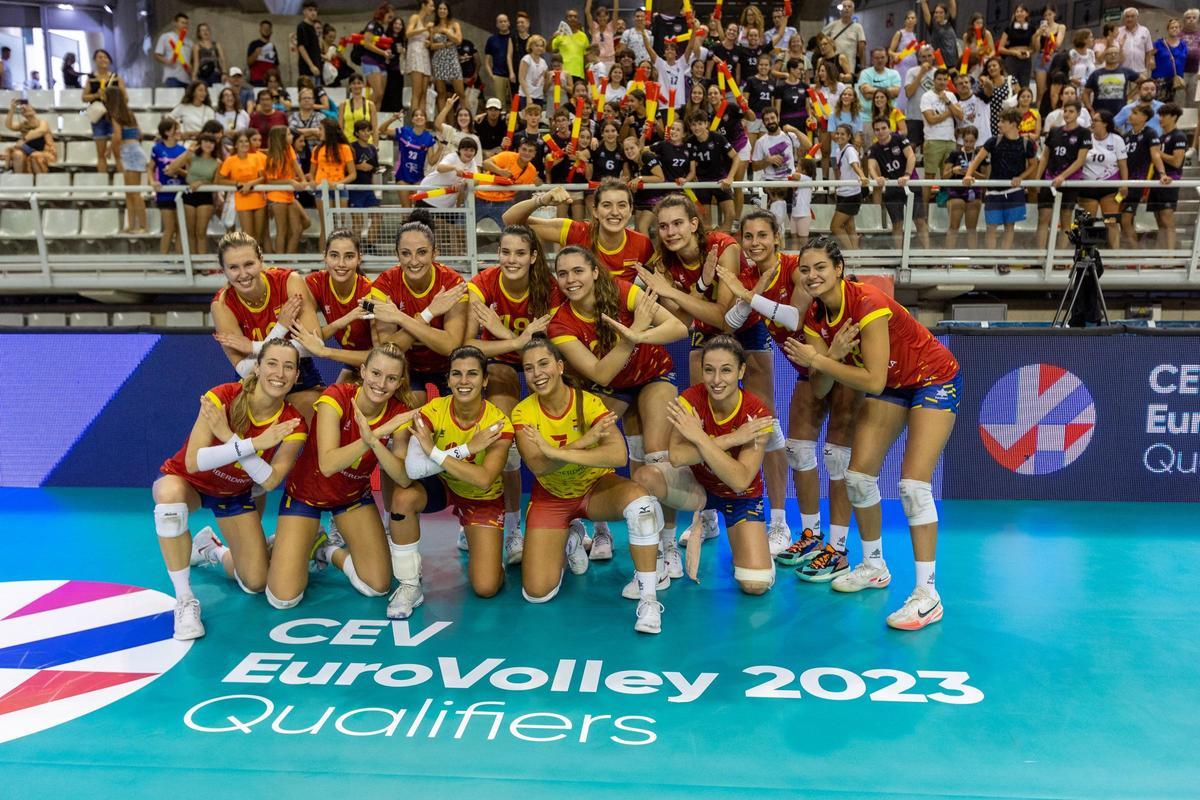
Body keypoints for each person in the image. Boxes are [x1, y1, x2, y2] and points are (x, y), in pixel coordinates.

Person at [785, 238, 959, 629]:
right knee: (859, 477)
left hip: (933, 378)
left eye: (820, 268)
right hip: (896, 385)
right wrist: (827, 357)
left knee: (914, 487)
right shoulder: (814, 319)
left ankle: (928, 595)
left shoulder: (867, 303)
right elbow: (819, 388)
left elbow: (875, 381)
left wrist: (819, 360)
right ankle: (874, 565)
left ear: (839, 268)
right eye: (805, 269)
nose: (812, 276)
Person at [153, 339, 307, 639]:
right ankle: (184, 600)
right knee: (168, 498)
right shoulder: (222, 396)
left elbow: (271, 481)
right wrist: (253, 444)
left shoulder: (293, 422)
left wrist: (228, 437)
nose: (280, 372)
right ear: (258, 367)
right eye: (272, 363)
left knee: (256, 582)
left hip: (234, 494)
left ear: (297, 376)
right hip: (190, 483)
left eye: (289, 366)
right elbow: (195, 461)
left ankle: (210, 548)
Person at [512, 336, 666, 632]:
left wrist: (557, 451)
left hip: (596, 489)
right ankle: (571, 538)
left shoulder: (588, 401)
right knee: (537, 594)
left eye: (544, 364)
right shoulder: (523, 412)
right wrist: (584, 442)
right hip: (552, 496)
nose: (537, 373)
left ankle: (648, 597)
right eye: (529, 368)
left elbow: (618, 454)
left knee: (642, 505)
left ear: (559, 366)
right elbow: (538, 465)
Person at [267, 343, 416, 610]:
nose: (381, 384)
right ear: (363, 371)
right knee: (283, 599)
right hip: (306, 496)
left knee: (377, 586)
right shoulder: (336, 397)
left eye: (391, 378)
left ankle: (325, 549)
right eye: (376, 373)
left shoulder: (398, 413)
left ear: (399, 382)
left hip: (351, 497)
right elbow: (328, 463)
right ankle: (293, 545)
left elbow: (403, 477)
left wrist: (378, 438)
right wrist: (374, 437)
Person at [387, 346, 515, 618]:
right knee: (403, 497)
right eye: (456, 374)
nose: (464, 381)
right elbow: (412, 468)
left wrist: (434, 452)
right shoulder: (433, 411)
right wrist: (468, 449)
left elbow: (483, 479)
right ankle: (409, 584)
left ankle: (488, 554)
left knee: (486, 587)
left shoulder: (498, 423)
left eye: (472, 374)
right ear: (448, 380)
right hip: (443, 485)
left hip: (482, 497)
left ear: (485, 380)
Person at [460, 226, 558, 561]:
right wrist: (515, 342)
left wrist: (509, 337)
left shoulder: (549, 288)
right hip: (500, 364)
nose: (511, 259)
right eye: (505, 252)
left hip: (541, 368)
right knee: (501, 436)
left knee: (562, 433)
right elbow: (469, 343)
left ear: (533, 257)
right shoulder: (483, 283)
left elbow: (550, 348)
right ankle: (511, 527)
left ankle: (575, 523)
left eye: (519, 253)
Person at [371, 219, 469, 403]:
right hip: (406, 367)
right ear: (397, 255)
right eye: (406, 253)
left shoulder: (453, 283)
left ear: (435, 253)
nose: (414, 261)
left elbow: (450, 346)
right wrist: (429, 313)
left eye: (422, 252)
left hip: (448, 366)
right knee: (413, 411)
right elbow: (389, 349)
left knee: (456, 414)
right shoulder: (384, 285)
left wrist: (400, 318)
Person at [503, 179, 653, 284]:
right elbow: (510, 220)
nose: (615, 212)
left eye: (622, 205)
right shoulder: (576, 232)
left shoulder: (642, 244)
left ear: (630, 210)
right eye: (607, 205)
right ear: (595, 210)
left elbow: (660, 281)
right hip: (577, 322)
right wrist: (541, 200)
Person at [295, 230, 386, 379]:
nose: (341, 264)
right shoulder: (316, 282)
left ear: (359, 258)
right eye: (334, 255)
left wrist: (327, 352)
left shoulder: (371, 293)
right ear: (325, 256)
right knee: (330, 400)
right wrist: (343, 320)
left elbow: (381, 356)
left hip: (374, 366)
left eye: (349, 256)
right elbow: (311, 338)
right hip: (351, 364)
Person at [963, 108, 1037, 261]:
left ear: (1013, 124)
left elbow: (1033, 165)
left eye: (1003, 121)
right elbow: (976, 160)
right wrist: (968, 174)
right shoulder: (993, 141)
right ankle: (991, 260)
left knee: (1009, 226)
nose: (999, 124)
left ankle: (1003, 259)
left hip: (1014, 192)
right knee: (991, 227)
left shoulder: (1026, 143)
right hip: (993, 191)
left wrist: (1020, 177)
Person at [1036, 101, 1089, 249]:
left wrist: (1063, 176)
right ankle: (1040, 257)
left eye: (1071, 111)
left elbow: (1080, 160)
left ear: (1078, 113)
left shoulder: (1084, 133)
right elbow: (1045, 156)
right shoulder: (1054, 131)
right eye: (1065, 111)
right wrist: (1037, 179)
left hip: (1069, 182)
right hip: (1049, 180)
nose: (1067, 114)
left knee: (1065, 220)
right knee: (1043, 219)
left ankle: (1059, 257)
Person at [1117, 103, 1168, 250]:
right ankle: (1131, 254)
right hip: (1121, 183)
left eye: (1134, 113)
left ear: (1144, 117)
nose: (1130, 115)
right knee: (1121, 220)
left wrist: (1162, 174)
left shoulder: (1150, 133)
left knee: (1125, 220)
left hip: (1135, 184)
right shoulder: (1126, 137)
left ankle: (1137, 255)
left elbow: (1156, 155)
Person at [1076, 111, 1128, 251]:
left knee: (1111, 222)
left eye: (1096, 120)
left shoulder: (1116, 140)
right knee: (1087, 223)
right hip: (1087, 186)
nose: (1092, 123)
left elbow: (1123, 165)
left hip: (1109, 187)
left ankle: (1115, 256)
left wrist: (1124, 185)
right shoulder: (1086, 138)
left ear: (1105, 123)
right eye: (1092, 120)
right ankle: (1086, 254)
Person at [867, 118, 919, 248]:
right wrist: (876, 178)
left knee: (920, 221)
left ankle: (930, 258)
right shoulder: (874, 149)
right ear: (874, 132)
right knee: (897, 223)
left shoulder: (899, 139)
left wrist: (907, 175)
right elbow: (871, 166)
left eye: (884, 128)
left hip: (911, 184)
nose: (881, 132)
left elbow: (911, 156)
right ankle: (899, 257)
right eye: (877, 130)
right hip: (893, 188)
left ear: (889, 128)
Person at [167, 132, 221, 254]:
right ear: (200, 143)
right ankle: (193, 265)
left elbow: (216, 184)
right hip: (189, 194)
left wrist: (201, 183)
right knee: (190, 232)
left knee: (201, 232)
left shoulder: (217, 162)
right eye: (205, 141)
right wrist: (187, 152)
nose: (208, 144)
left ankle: (202, 264)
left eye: (211, 142)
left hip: (205, 197)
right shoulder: (191, 157)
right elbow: (171, 169)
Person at [105, 87, 148, 235]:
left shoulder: (115, 115)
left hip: (129, 152)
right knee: (130, 193)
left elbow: (117, 136)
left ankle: (143, 226)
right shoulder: (129, 113)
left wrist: (114, 153)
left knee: (134, 193)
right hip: (135, 148)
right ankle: (131, 226)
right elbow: (140, 133)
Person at [217, 130, 268, 245]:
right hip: (242, 197)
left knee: (259, 235)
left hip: (258, 197)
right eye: (241, 141)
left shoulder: (255, 158)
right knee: (248, 236)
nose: (244, 144)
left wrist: (250, 184)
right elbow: (221, 179)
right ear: (235, 144)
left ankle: (257, 260)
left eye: (246, 141)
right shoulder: (230, 160)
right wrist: (237, 184)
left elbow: (262, 178)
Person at [263, 126, 309, 254]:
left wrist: (303, 179)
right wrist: (290, 181)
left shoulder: (289, 149)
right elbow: (270, 181)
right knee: (282, 231)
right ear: (281, 138)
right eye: (289, 134)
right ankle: (280, 265)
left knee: (298, 228)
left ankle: (288, 260)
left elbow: (296, 165)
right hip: (276, 196)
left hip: (289, 195)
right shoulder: (272, 157)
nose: (291, 137)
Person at [476, 138, 540, 227]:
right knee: (464, 227)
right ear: (518, 150)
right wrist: (500, 171)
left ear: (534, 154)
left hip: (504, 203)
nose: (526, 153)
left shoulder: (532, 171)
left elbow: (538, 185)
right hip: (481, 198)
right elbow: (485, 163)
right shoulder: (507, 156)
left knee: (510, 230)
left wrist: (539, 181)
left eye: (530, 151)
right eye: (524, 149)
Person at [309, 119, 354, 243]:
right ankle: (323, 260)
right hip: (321, 190)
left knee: (339, 227)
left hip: (339, 190)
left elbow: (352, 174)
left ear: (328, 131)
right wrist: (312, 181)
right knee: (326, 227)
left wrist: (338, 184)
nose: (318, 132)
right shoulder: (317, 149)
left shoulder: (345, 148)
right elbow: (311, 173)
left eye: (320, 129)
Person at [82, 49, 125, 173]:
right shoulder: (91, 79)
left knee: (118, 154)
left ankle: (122, 185)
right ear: (95, 60)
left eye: (105, 57)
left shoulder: (116, 78)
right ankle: (103, 185)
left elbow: (125, 97)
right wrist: (96, 95)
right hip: (98, 118)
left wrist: (113, 99)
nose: (103, 59)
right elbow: (84, 97)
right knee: (101, 155)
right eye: (100, 57)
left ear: (109, 60)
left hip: (114, 118)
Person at [150, 117, 188, 254]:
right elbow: (150, 168)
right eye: (175, 129)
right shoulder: (157, 148)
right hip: (165, 194)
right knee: (170, 228)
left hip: (180, 194)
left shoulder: (183, 149)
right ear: (166, 132)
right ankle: (164, 260)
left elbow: (187, 174)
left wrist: (177, 170)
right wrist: (152, 181)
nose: (179, 131)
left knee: (180, 228)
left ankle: (178, 261)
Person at [829, 122, 868, 250]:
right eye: (837, 133)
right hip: (843, 193)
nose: (839, 136)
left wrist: (862, 176)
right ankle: (856, 256)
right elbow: (842, 171)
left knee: (835, 227)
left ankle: (851, 253)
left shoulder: (850, 149)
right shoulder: (837, 150)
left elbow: (855, 165)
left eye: (842, 134)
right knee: (850, 227)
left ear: (849, 136)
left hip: (851, 194)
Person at [1085, 46, 1140, 119]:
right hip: (1100, 113)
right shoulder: (1096, 73)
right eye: (1109, 53)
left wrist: (1129, 96)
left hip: (1120, 112)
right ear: (1104, 56)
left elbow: (1143, 82)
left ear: (1119, 56)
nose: (1113, 55)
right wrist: (1090, 109)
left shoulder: (1126, 71)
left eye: (1115, 53)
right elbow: (1085, 93)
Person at [430, 2, 466, 111]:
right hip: (438, 60)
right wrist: (446, 44)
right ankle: (442, 123)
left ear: (448, 11)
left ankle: (468, 119)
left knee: (460, 92)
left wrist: (446, 31)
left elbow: (458, 40)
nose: (442, 11)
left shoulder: (454, 25)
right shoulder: (433, 27)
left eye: (444, 9)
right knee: (441, 93)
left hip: (452, 59)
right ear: (437, 11)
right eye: (440, 9)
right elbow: (431, 46)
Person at [3, 99, 52, 176]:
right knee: (17, 154)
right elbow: (9, 125)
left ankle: (39, 181)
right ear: (23, 114)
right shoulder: (23, 124)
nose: (25, 109)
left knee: (35, 156)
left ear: (34, 111)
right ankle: (19, 179)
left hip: (42, 151)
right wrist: (12, 109)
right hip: (26, 150)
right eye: (23, 110)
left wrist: (24, 139)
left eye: (28, 107)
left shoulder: (42, 122)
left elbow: (40, 131)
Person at [857, 48, 901, 127]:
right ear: (872, 59)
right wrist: (887, 93)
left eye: (882, 57)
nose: (880, 60)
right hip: (867, 119)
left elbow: (896, 93)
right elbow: (866, 95)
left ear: (887, 58)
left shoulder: (894, 73)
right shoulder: (865, 73)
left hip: (889, 118)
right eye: (876, 58)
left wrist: (872, 90)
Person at [903, 45, 936, 150]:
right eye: (923, 56)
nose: (926, 59)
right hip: (914, 116)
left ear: (934, 56)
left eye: (929, 56)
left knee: (928, 148)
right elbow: (908, 93)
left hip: (932, 117)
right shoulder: (911, 72)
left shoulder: (937, 73)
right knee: (911, 146)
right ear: (919, 58)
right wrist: (921, 73)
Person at [997, 4, 1034, 94]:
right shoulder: (1009, 29)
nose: (1019, 14)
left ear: (1027, 14)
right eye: (1017, 12)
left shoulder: (1031, 29)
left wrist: (1028, 53)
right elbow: (1000, 48)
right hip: (1012, 59)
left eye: (1021, 11)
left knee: (1024, 86)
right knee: (1011, 86)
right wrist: (1014, 53)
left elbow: (1034, 48)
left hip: (1026, 60)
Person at [821, 0, 866, 74]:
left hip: (849, 64)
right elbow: (820, 38)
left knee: (848, 82)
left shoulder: (858, 27)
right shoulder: (833, 25)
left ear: (853, 11)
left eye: (849, 6)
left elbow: (862, 46)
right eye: (844, 6)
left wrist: (862, 65)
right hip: (833, 64)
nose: (846, 8)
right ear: (840, 10)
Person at [552, 8, 590, 84]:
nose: (573, 18)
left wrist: (587, 74)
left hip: (579, 74)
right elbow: (550, 50)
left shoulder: (583, 36)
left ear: (578, 19)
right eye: (570, 16)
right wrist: (552, 37)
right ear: (566, 19)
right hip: (563, 74)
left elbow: (586, 57)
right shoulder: (560, 35)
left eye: (575, 17)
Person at [155, 13, 192, 88]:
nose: (185, 25)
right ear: (175, 23)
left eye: (186, 23)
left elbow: (191, 60)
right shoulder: (166, 37)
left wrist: (191, 69)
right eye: (182, 23)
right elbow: (157, 55)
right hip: (172, 77)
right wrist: (168, 61)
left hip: (186, 79)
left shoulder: (190, 42)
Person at [1116, 7, 1154, 78]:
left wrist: (1146, 68)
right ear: (1124, 18)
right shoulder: (1118, 31)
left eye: (1132, 16)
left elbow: (1149, 51)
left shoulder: (1144, 30)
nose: (1130, 19)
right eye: (1127, 17)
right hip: (1122, 72)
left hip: (1141, 71)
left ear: (1137, 17)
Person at [247, 20, 280, 87]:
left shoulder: (273, 47)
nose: (266, 30)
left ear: (271, 31)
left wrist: (279, 82)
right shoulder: (254, 44)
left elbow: (276, 66)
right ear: (260, 30)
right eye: (264, 28)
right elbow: (248, 62)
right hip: (257, 81)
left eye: (268, 28)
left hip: (270, 82)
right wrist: (255, 54)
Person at [296, 2, 323, 85]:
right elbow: (301, 47)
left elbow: (314, 50)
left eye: (315, 10)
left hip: (317, 68)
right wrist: (311, 66)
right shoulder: (302, 26)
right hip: (308, 70)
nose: (313, 12)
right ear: (304, 12)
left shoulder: (313, 28)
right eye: (310, 10)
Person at [1182, 9, 1200, 101]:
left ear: (1198, 20)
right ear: (1184, 20)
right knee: (1179, 98)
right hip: (1181, 72)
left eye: (1194, 17)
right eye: (1188, 18)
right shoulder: (1179, 34)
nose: (1191, 19)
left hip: (1195, 72)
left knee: (1192, 99)